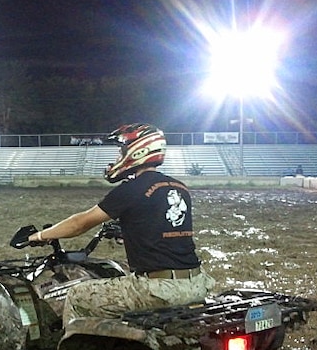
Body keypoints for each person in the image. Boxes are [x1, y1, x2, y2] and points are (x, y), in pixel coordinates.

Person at [28, 123, 215, 325]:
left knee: (77, 295)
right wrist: (127, 231)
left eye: (121, 150)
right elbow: (164, 226)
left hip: (158, 289)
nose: (118, 156)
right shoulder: (180, 187)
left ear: (137, 151)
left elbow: (79, 224)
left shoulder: (131, 189)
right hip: (196, 283)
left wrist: (39, 235)